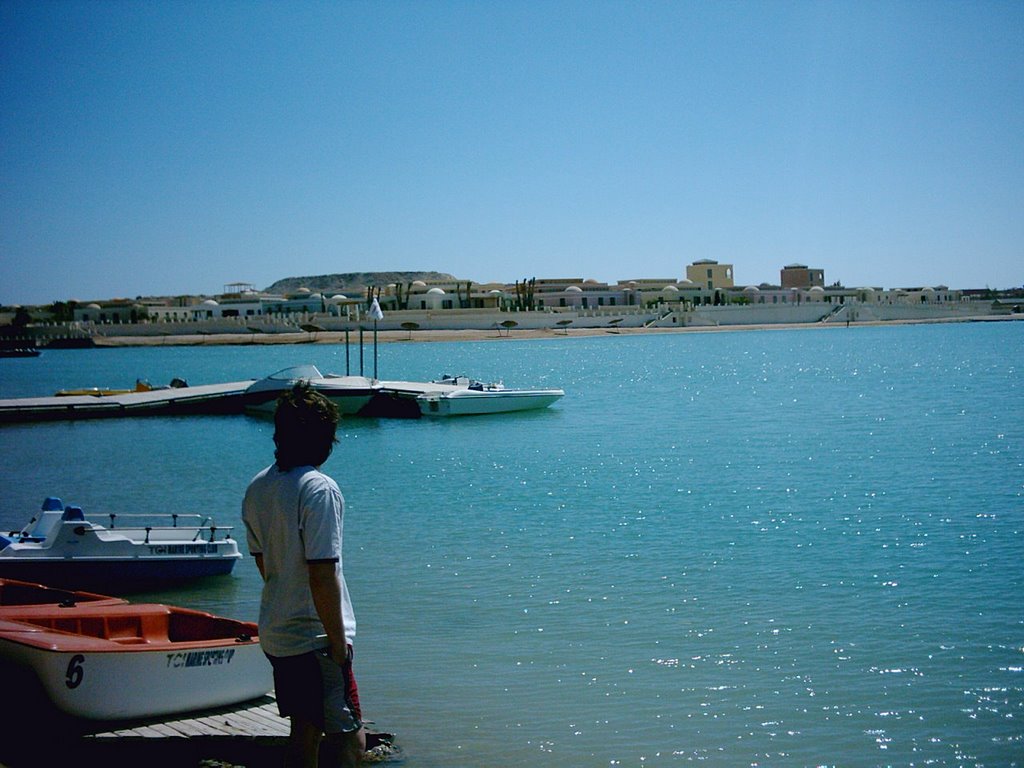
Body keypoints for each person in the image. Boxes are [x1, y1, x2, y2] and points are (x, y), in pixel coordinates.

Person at [242, 382, 365, 767]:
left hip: (277, 632)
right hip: (315, 637)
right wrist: (338, 642)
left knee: (304, 730)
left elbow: (264, 563)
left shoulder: (259, 486)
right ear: (323, 438)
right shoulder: (319, 489)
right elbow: (322, 572)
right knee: (349, 734)